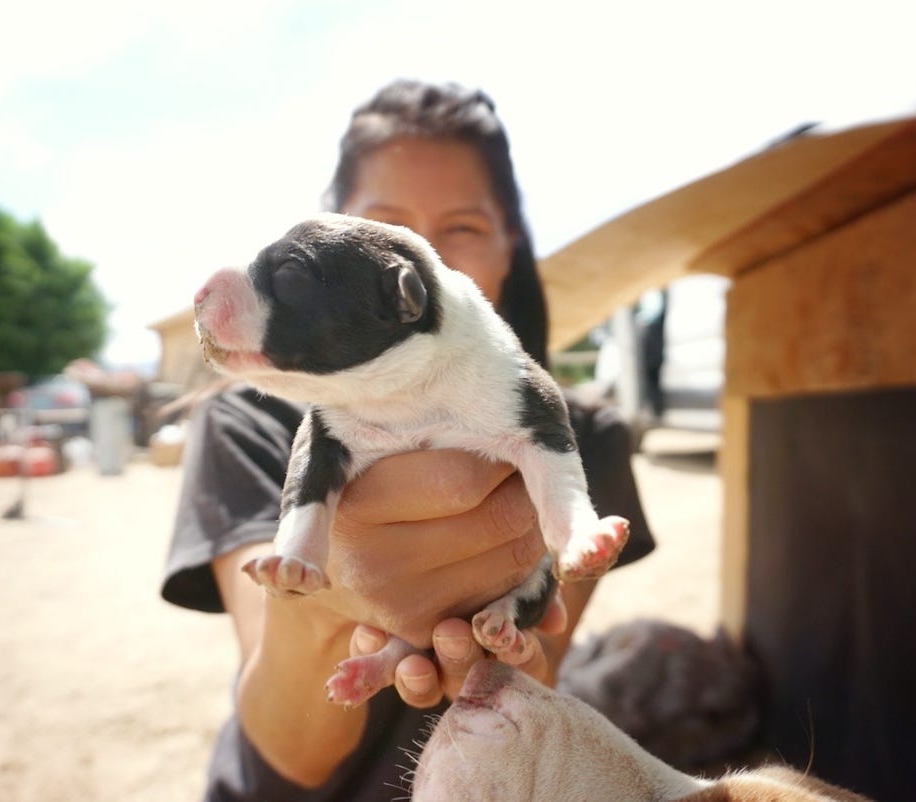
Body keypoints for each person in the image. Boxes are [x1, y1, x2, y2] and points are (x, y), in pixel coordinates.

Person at [161, 78, 656, 801]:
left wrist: (505, 638)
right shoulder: (248, 422)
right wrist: (318, 595)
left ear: (507, 249)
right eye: (385, 219)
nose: (428, 243)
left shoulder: (581, 431)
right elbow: (288, 748)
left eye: (461, 228)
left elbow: (535, 659)